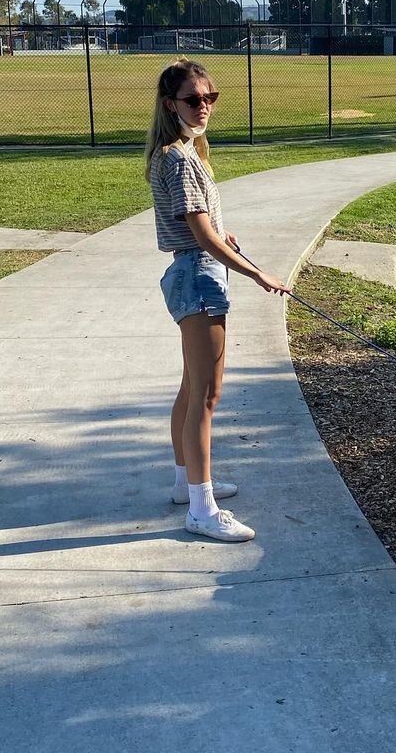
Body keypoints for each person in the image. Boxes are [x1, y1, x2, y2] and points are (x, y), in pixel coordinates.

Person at [145, 59, 287, 542]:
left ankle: (186, 484)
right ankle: (202, 510)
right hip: (198, 276)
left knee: (192, 387)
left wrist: (221, 236)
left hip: (194, 271)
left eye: (210, 97)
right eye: (193, 99)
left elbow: (201, 226)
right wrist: (257, 273)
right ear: (171, 105)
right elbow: (201, 237)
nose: (203, 106)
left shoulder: (180, 153)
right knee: (206, 396)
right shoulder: (180, 159)